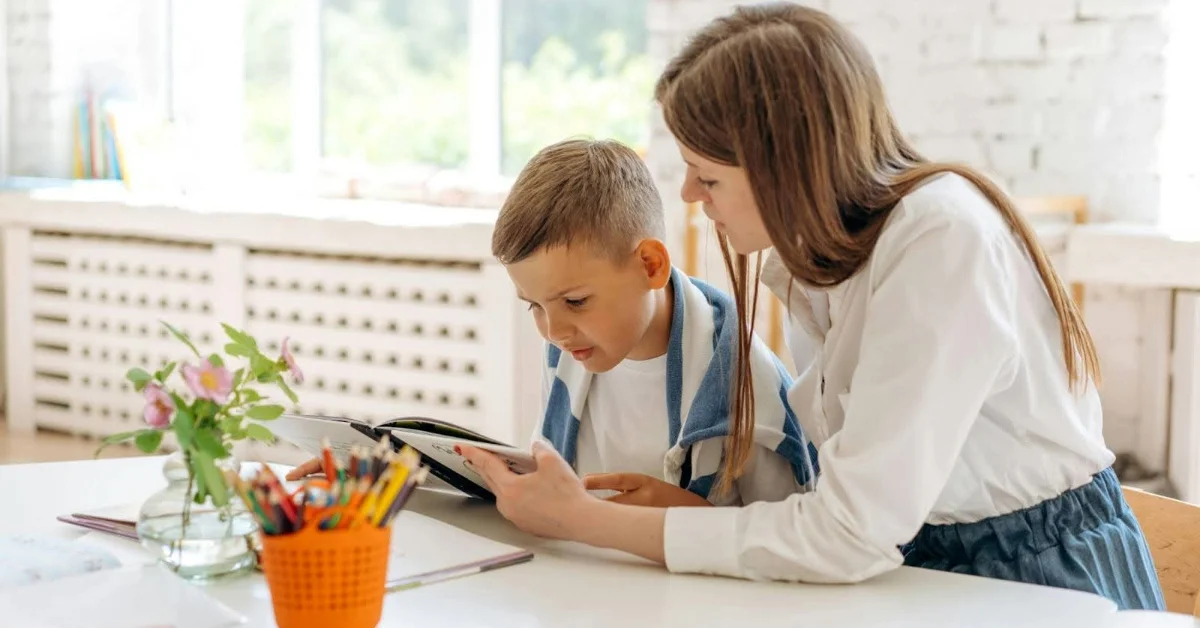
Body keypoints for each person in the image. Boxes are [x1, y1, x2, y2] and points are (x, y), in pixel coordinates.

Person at [457, 2, 1165, 611]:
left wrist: (586, 520)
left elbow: (849, 531)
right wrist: (690, 519)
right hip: (916, 570)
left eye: (707, 176)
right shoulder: (817, 266)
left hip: (1032, 579)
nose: (690, 200)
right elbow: (844, 511)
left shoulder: (940, 240)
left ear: (784, 162)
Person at [291, 138, 819, 509]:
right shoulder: (574, 351)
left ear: (650, 266)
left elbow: (796, 536)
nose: (553, 331)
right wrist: (390, 474)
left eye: (575, 301)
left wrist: (692, 522)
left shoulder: (746, 381)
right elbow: (553, 490)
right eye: (534, 307)